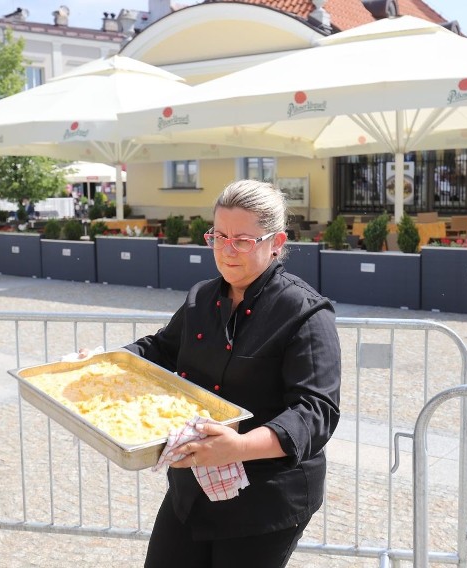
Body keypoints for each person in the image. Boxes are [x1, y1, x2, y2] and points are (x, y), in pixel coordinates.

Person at [123, 179, 341, 568]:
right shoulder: (201, 297)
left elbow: (316, 411)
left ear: (276, 242)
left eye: (242, 240)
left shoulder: (305, 312)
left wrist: (240, 446)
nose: (226, 250)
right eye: (219, 236)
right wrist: (103, 362)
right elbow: (160, 349)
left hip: (266, 498)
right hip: (193, 487)